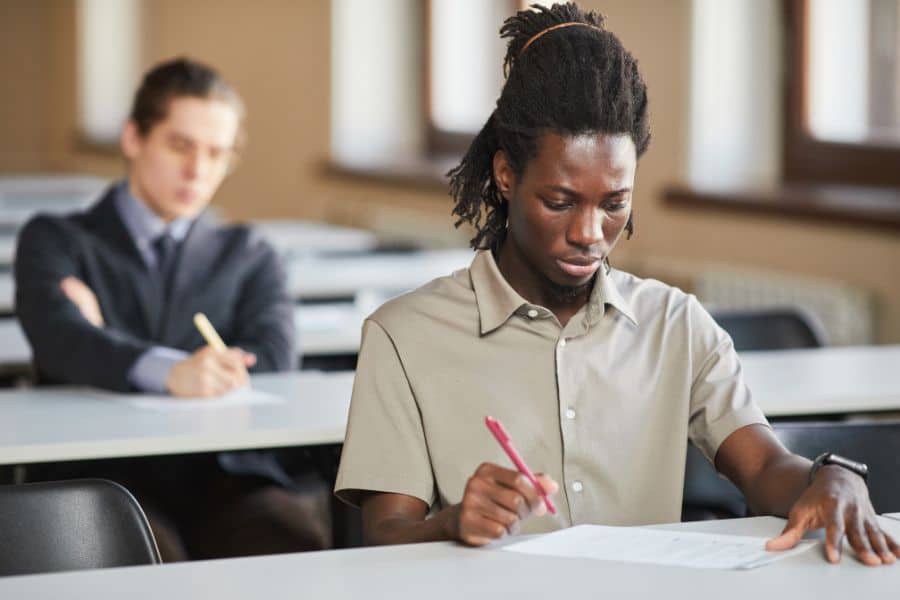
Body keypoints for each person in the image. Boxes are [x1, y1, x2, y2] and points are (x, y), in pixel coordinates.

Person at [335, 3, 899, 565]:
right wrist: (452, 522)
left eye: (614, 204)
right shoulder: (404, 336)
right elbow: (384, 537)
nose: (589, 233)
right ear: (506, 175)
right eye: (560, 202)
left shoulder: (676, 324)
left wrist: (833, 477)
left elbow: (764, 467)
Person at [15, 57, 329, 560]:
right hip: (104, 472)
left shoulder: (249, 253)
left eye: (216, 153)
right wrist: (172, 372)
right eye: (180, 145)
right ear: (133, 138)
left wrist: (109, 343)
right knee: (139, 553)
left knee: (292, 546)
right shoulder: (55, 239)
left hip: (226, 471)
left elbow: (273, 359)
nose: (197, 170)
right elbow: (61, 340)